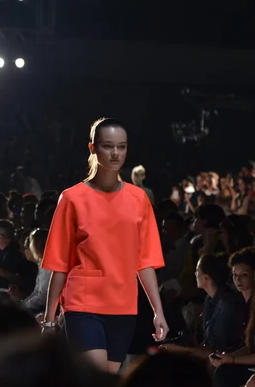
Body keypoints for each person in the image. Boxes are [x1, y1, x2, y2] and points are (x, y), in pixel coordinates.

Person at [42, 117, 169, 374]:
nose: (115, 153)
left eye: (121, 147)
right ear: (93, 148)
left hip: (123, 304)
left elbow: (144, 261)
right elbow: (60, 263)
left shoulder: (139, 199)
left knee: (108, 379)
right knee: (95, 377)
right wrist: (49, 318)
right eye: (107, 146)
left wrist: (159, 312)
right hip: (82, 303)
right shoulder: (72, 198)